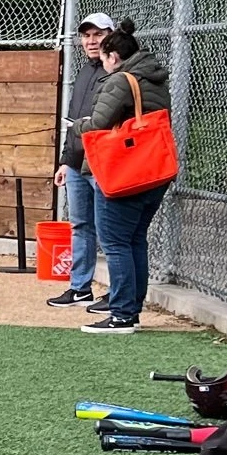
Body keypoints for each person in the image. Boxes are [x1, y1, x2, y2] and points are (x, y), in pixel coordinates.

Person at [80, 17, 171, 336]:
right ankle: (131, 306)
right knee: (134, 240)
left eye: (104, 59)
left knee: (116, 241)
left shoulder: (121, 80)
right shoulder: (155, 76)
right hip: (154, 171)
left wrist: (76, 126)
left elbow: (99, 124)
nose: (102, 64)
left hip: (125, 172)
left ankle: (121, 313)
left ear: (113, 57)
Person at [49, 14, 113, 311]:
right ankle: (80, 288)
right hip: (77, 164)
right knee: (80, 225)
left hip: (102, 164)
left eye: (97, 34)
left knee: (110, 229)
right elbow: (72, 122)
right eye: (86, 36)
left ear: (110, 36)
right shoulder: (85, 72)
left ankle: (116, 292)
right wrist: (65, 161)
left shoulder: (116, 72)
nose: (91, 41)